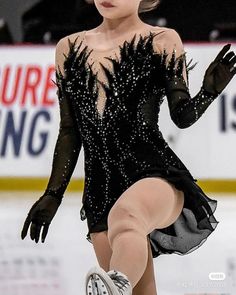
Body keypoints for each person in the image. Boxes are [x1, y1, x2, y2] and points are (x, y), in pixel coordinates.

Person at [21, 0, 236, 294]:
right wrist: (53, 194)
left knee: (126, 216)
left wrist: (208, 93)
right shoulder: (68, 48)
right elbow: (70, 130)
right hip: (100, 189)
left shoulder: (161, 40)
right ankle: (121, 283)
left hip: (153, 174)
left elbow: (182, 116)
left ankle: (118, 281)